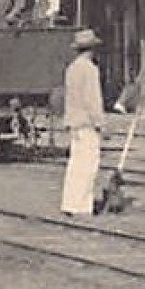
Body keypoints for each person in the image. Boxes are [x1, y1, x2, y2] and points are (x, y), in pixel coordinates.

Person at [60, 28, 105, 216]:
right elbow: (92, 99)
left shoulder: (72, 68)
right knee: (88, 166)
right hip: (87, 123)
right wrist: (100, 123)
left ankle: (70, 203)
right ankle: (83, 206)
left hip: (74, 122)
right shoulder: (90, 69)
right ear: (92, 49)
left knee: (75, 165)